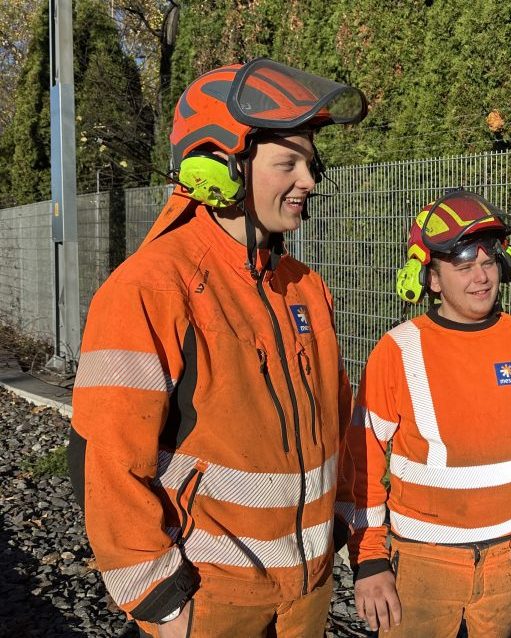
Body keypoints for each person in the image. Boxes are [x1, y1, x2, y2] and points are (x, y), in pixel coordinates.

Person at [67, 58, 366, 637]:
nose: (310, 179)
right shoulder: (152, 287)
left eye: (311, 162)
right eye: (289, 162)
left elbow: (338, 423)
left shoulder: (305, 286)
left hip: (306, 592)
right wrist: (159, 598)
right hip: (210, 601)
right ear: (219, 166)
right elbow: (103, 460)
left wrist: (350, 536)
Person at [345, 189, 511, 637]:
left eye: (488, 263)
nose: (481, 277)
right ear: (429, 278)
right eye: (464, 266)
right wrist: (369, 558)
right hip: (423, 562)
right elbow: (363, 458)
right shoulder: (399, 350)